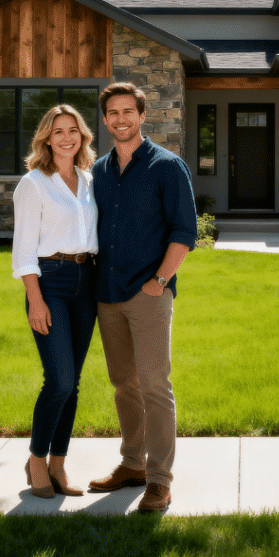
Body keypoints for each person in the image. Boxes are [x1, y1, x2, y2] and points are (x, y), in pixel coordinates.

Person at [88, 82, 198, 513]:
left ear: (141, 115)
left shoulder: (167, 167)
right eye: (112, 113)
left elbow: (184, 232)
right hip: (107, 294)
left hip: (148, 293)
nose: (120, 119)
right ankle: (132, 464)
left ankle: (159, 480)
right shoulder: (97, 170)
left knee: (154, 384)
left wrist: (160, 280)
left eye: (127, 112)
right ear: (106, 118)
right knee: (123, 384)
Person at [11, 103, 99, 498]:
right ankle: (35, 460)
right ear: (46, 137)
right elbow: (23, 250)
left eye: (73, 131)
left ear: (82, 136)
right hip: (51, 282)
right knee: (59, 380)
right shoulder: (33, 183)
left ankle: (59, 465)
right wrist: (36, 299)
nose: (67, 138)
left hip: (87, 280)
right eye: (58, 131)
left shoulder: (88, 179)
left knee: (74, 383)